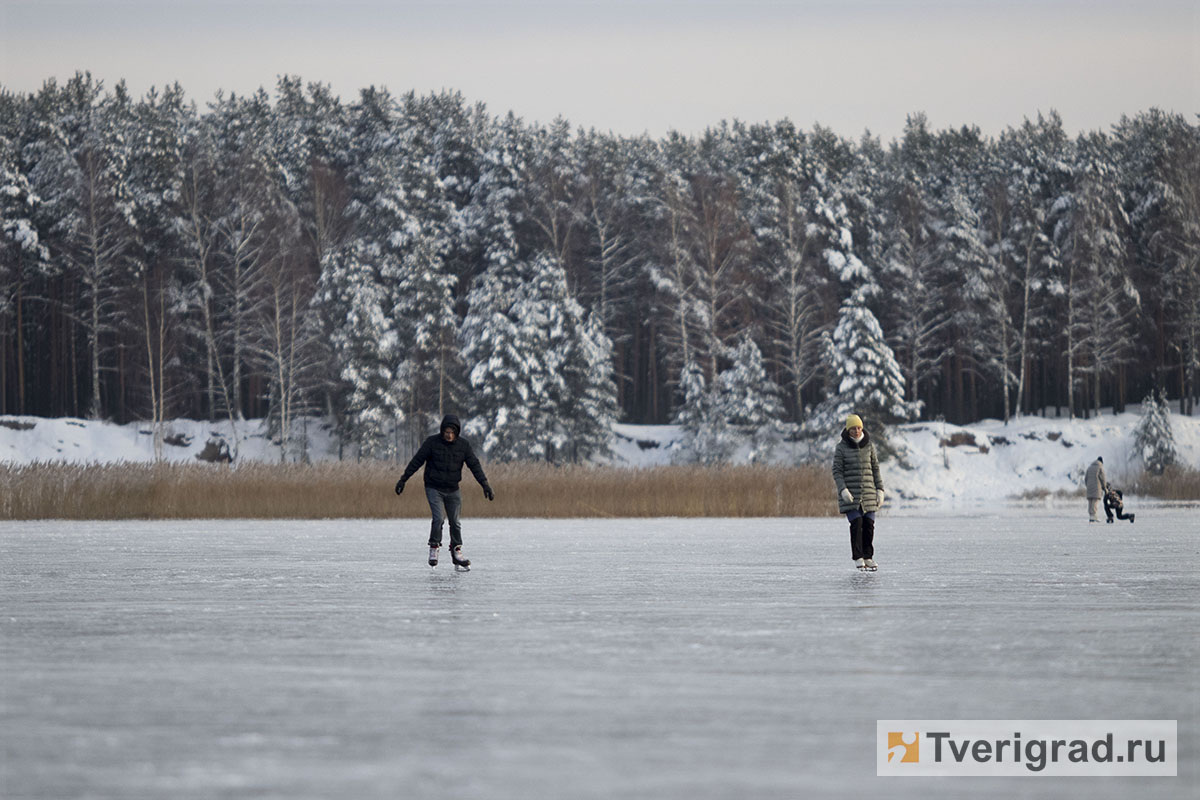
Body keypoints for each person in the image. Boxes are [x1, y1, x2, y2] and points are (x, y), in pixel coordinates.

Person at [395, 414, 494, 568]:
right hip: (434, 487)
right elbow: (417, 461)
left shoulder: (463, 446)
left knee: (455, 522)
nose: (449, 435)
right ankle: (434, 547)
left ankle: (456, 551)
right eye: (446, 432)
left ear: (456, 433)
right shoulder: (431, 443)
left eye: (452, 433)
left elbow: (474, 465)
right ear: (442, 431)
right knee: (439, 518)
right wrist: (403, 479)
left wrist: (485, 484)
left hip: (453, 489)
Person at [832, 413, 884, 571]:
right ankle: (858, 556)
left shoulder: (869, 446)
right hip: (850, 495)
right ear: (848, 430)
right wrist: (843, 490)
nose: (856, 431)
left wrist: (880, 489)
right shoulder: (841, 448)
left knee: (869, 525)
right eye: (853, 428)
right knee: (857, 523)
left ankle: (868, 556)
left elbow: (875, 468)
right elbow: (837, 471)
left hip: (868, 493)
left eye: (859, 427)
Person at [1084, 457, 1107, 523]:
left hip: (1089, 487)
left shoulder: (1089, 467)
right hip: (1097, 487)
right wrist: (1104, 487)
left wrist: (1088, 486)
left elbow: (1085, 479)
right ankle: (1094, 516)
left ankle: (1091, 516)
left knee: (1090, 502)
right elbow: (1103, 478)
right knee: (1095, 501)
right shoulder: (1100, 467)